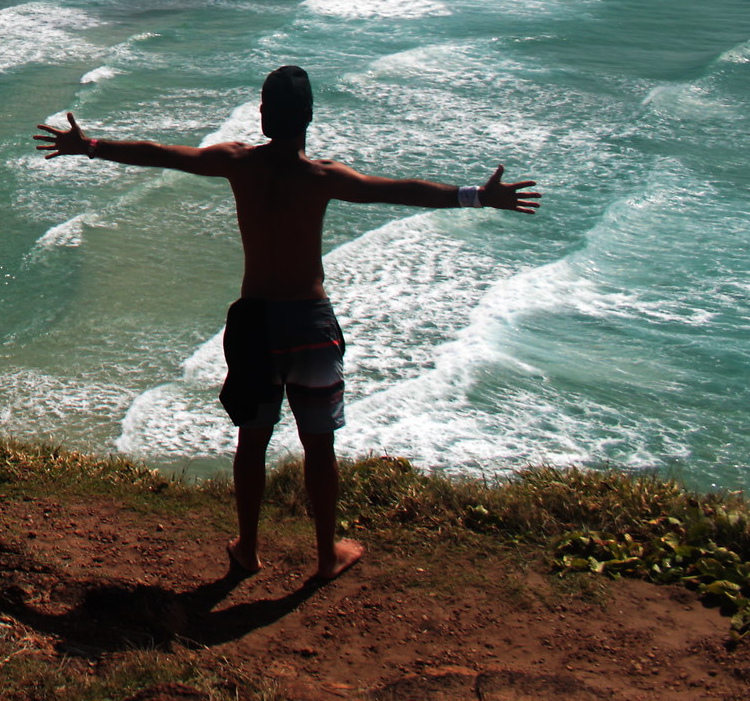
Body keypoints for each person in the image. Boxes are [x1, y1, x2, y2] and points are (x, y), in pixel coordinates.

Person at [33, 65, 539, 583]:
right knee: (320, 445)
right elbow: (400, 191)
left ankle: (248, 549)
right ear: (309, 118)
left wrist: (90, 145)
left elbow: (161, 154)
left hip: (257, 325)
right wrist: (478, 195)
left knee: (252, 441)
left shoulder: (237, 163)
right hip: (310, 325)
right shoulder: (323, 176)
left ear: (262, 114)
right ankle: (326, 555)